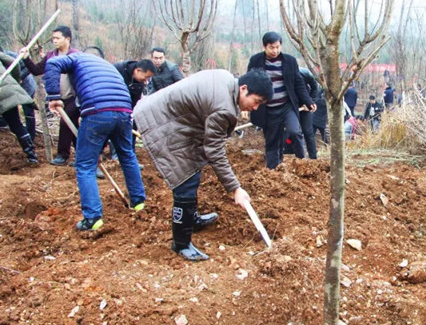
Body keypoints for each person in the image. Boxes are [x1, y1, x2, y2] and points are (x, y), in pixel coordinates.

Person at [133, 69, 273, 261]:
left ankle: (192, 220)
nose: (256, 108)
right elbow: (214, 151)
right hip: (163, 125)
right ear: (243, 88)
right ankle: (181, 243)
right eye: (256, 101)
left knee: (193, 168)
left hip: (171, 118)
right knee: (185, 179)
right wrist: (235, 188)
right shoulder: (224, 107)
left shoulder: (226, 78)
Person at [44, 53, 146, 231]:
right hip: (123, 111)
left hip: (98, 110)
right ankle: (139, 203)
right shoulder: (105, 65)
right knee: (127, 155)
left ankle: (92, 218)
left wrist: (53, 96)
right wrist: (97, 149)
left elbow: (52, 63)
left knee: (84, 165)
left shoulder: (73, 59)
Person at [247, 31, 315, 169]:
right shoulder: (256, 61)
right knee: (272, 141)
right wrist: (246, 105)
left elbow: (298, 83)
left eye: (278, 47)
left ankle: (302, 163)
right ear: (264, 46)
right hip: (268, 108)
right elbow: (249, 83)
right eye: (271, 47)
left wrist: (308, 101)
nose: (275, 50)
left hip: (287, 105)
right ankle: (273, 170)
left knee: (294, 132)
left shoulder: (290, 61)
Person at [21, 25, 80, 166]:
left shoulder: (76, 55)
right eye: (53, 38)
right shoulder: (51, 56)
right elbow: (36, 70)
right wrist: (26, 58)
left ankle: (63, 155)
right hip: (58, 97)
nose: (54, 41)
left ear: (67, 39)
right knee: (72, 126)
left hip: (74, 97)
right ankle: (79, 155)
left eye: (57, 38)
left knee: (66, 123)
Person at [0, 43, 38, 141]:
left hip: (25, 86)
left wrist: (18, 78)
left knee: (28, 110)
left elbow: (28, 68)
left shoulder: (13, 57)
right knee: (8, 106)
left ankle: (31, 135)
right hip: (9, 88)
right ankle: (2, 124)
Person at [298, 68, 321, 159]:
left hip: (305, 106)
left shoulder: (304, 73)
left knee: (308, 132)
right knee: (291, 131)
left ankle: (313, 157)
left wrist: (310, 102)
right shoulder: (284, 74)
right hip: (290, 105)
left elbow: (315, 87)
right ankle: (291, 151)